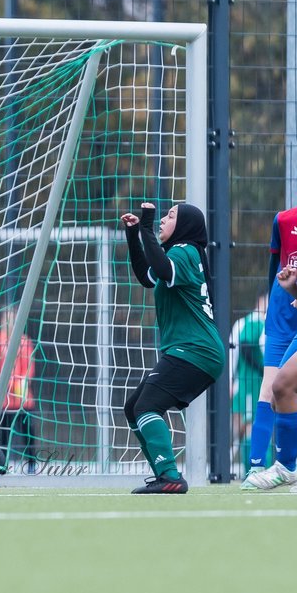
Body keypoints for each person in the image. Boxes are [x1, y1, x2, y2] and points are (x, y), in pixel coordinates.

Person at [120, 201, 225, 493]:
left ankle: (170, 477)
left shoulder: (185, 251)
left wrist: (146, 225)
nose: (165, 219)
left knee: (145, 406)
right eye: (164, 215)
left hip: (196, 350)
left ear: (185, 226)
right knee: (134, 408)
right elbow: (148, 276)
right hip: (192, 350)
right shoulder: (179, 255)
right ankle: (164, 476)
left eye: (170, 216)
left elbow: (162, 269)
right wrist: (134, 235)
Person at [241, 160, 297, 486]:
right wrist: (292, 287)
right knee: (278, 390)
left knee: (283, 387)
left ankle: (283, 467)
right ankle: (275, 466)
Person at [0, 306, 37, 474]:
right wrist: (8, 384)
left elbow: (29, 367)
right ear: (1, 322)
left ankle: (31, 465)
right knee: (3, 437)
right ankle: (2, 466)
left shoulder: (24, 341)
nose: (9, 324)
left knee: (28, 434)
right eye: (6, 320)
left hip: (22, 399)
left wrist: (19, 383)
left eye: (13, 320)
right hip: (3, 400)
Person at [230, 294, 268, 478]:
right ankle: (254, 471)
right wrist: (263, 371)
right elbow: (244, 348)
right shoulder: (252, 322)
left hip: (253, 384)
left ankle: (257, 470)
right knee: (249, 427)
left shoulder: (257, 323)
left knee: (252, 427)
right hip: (250, 384)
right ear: (259, 301)